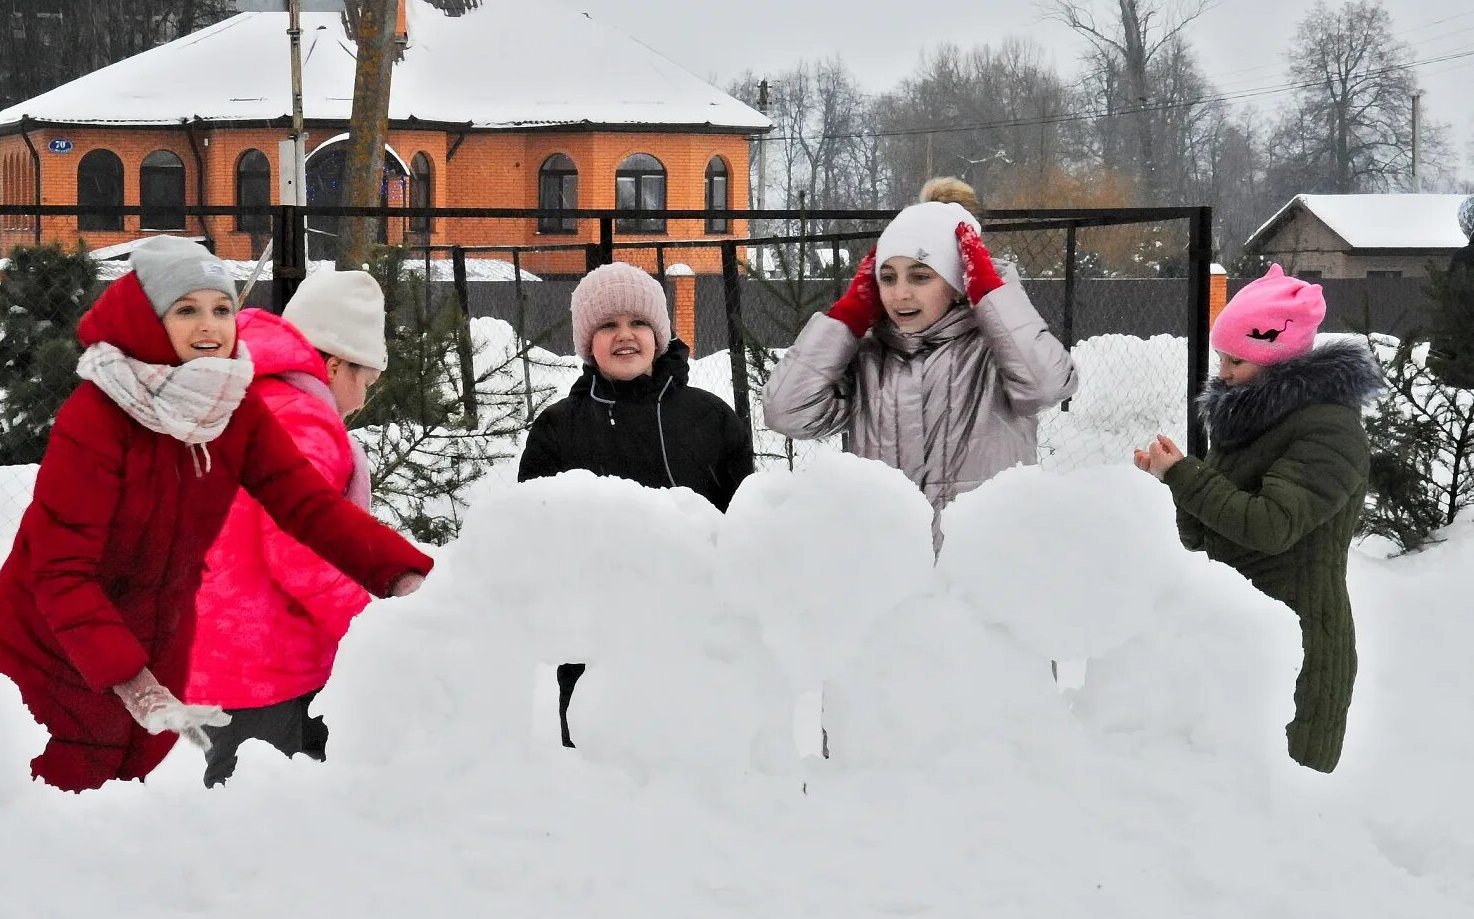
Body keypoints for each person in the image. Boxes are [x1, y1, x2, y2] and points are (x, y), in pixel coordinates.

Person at [0, 236, 432, 793]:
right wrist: (130, 679)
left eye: (222, 309)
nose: (210, 326)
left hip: (157, 641)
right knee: (68, 805)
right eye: (187, 309)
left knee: (147, 811)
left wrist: (406, 577)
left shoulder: (231, 407)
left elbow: (309, 508)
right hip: (56, 646)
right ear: (150, 318)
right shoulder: (98, 417)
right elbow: (59, 571)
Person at [1133, 264, 1384, 773]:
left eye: (1236, 360)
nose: (1222, 372)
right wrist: (1178, 480)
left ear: (1278, 355)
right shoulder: (1251, 420)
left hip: (1298, 644)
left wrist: (1186, 478)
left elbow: (1270, 527)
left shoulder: (1328, 431)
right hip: (1241, 634)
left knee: (1283, 810)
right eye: (1222, 357)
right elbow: (1204, 536)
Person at [517, 261, 755, 747]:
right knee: (599, 770)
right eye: (608, 325)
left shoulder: (709, 418)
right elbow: (532, 531)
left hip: (695, 632)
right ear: (588, 341)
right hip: (594, 642)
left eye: (638, 323)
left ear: (660, 333)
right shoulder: (559, 428)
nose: (625, 336)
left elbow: (745, 525)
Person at [761, 186, 1077, 549]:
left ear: (959, 283)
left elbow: (1048, 384)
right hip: (890, 568)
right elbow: (785, 412)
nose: (900, 294)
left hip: (982, 567)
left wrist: (993, 296)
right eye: (888, 277)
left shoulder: (996, 353)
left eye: (920, 276)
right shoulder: (868, 357)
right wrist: (847, 319)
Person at [184, 269, 390, 787]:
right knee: (269, 822)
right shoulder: (302, 420)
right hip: (271, 665)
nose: (362, 401)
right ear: (333, 362)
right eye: (362, 382)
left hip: (224, 653)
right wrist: (369, 625)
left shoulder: (250, 399)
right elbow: (303, 548)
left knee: (245, 811)